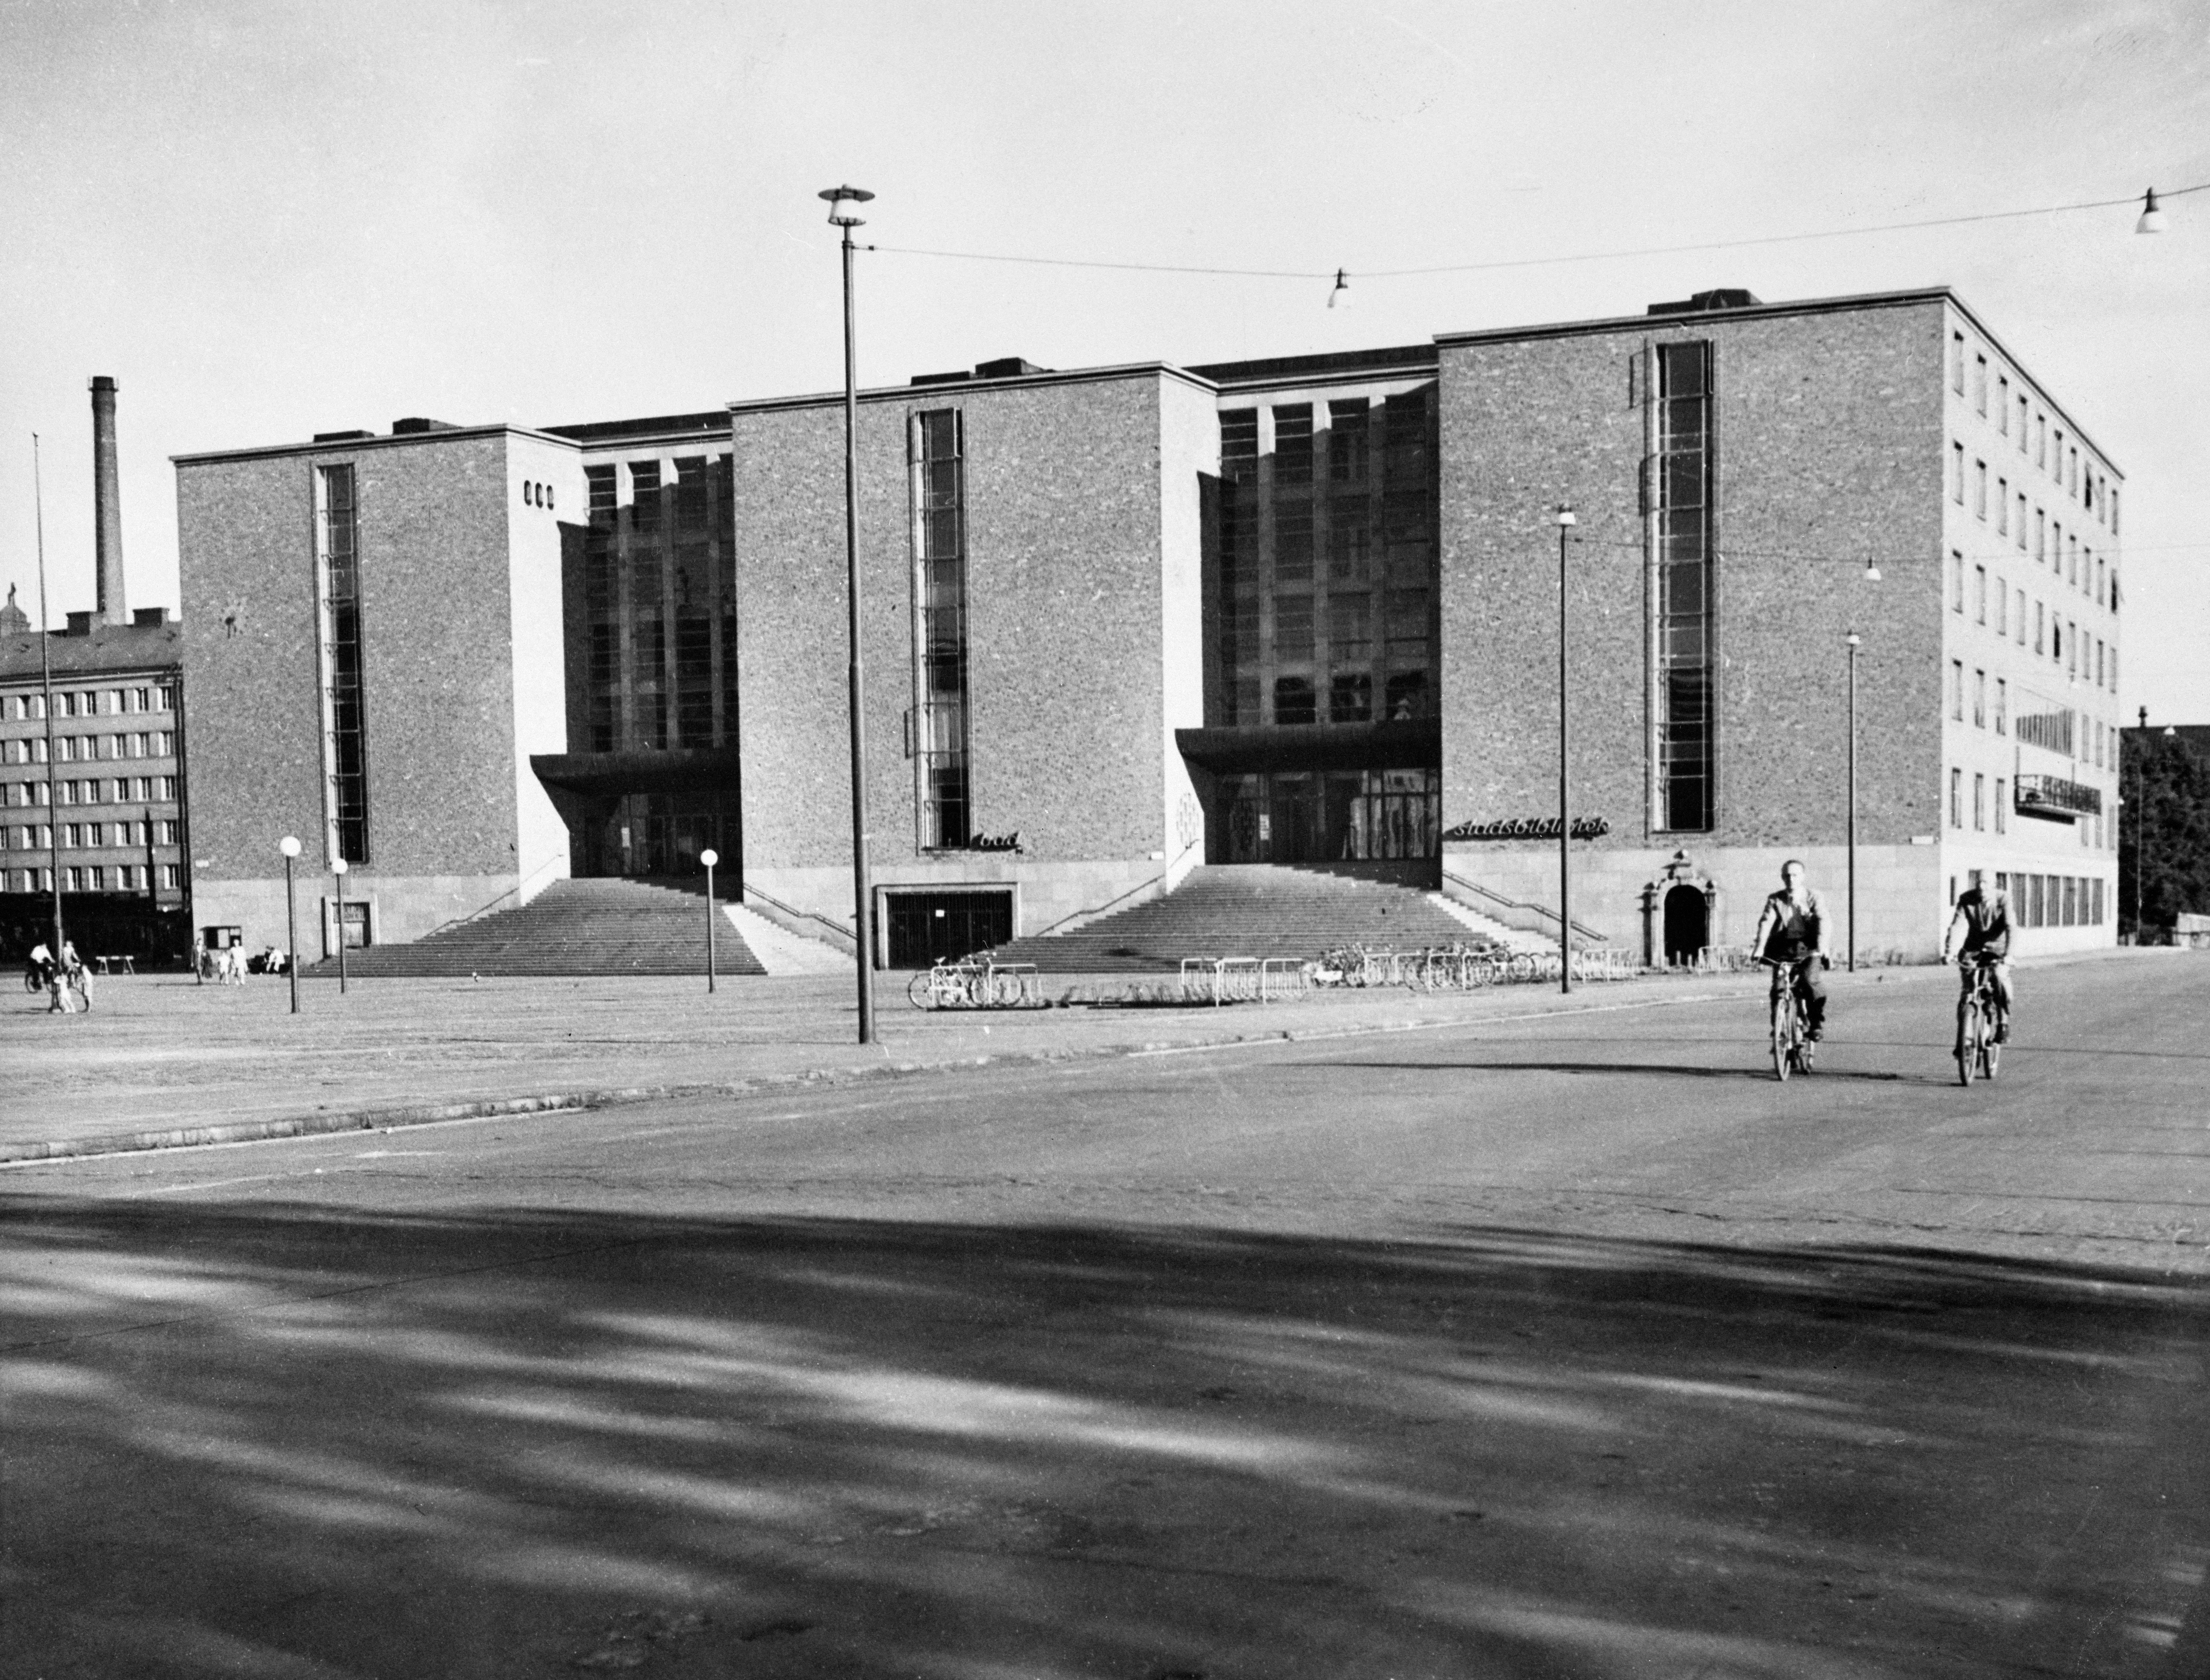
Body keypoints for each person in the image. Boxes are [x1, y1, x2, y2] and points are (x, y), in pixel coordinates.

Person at [1751, 859, 1831, 1041]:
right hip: (1783, 950)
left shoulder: (1813, 896)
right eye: (1787, 875)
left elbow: (1823, 920)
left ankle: (1816, 1022)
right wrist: (1759, 948)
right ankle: (1779, 1029)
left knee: (1810, 981)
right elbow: (1766, 922)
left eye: (1795, 875)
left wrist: (1823, 946)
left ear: (1802, 877)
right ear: (1782, 877)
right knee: (1778, 990)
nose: (1791, 879)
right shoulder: (1775, 899)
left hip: (1809, 949)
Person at [1941, 875, 2013, 1044]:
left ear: (1994, 885)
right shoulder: (1967, 899)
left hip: (1998, 948)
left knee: (1998, 977)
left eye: (1986, 882)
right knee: (1967, 990)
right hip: (1973, 948)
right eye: (1979, 882)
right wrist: (1950, 952)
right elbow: (1956, 926)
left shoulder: (2004, 899)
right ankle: (1964, 1039)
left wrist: (2009, 954)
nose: (1981, 886)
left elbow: (2011, 926)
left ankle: (2003, 1022)